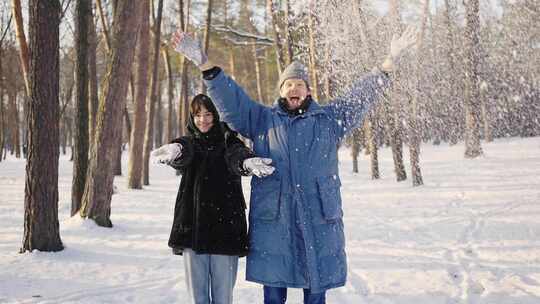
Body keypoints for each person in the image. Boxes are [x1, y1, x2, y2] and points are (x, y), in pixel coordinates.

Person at [171, 27, 418, 304]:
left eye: (299, 84)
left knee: (315, 293)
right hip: (275, 223)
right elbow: (232, 101)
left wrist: (387, 64)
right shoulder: (261, 120)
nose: (294, 88)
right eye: (288, 84)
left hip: (317, 221)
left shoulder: (328, 120)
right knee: (274, 295)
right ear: (281, 91)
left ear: (308, 91)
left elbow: (359, 98)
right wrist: (205, 64)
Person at [151, 94, 275, 304]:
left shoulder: (228, 142)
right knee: (197, 298)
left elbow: (237, 155)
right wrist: (175, 150)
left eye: (208, 114)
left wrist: (246, 163)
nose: (203, 120)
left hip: (225, 230)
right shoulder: (189, 143)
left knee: (223, 296)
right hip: (192, 229)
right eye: (198, 115)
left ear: (217, 115)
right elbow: (184, 150)